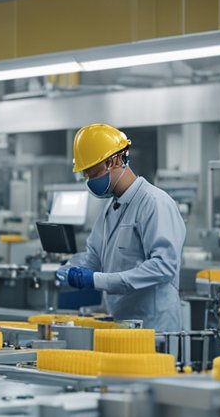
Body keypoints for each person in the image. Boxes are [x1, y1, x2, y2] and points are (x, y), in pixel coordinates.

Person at [54, 123, 186, 332]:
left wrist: (96, 280)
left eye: (91, 171)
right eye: (85, 174)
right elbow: (95, 256)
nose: (88, 180)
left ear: (114, 161)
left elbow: (163, 267)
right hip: (122, 324)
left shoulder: (154, 203)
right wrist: (73, 269)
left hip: (154, 326)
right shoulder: (110, 209)